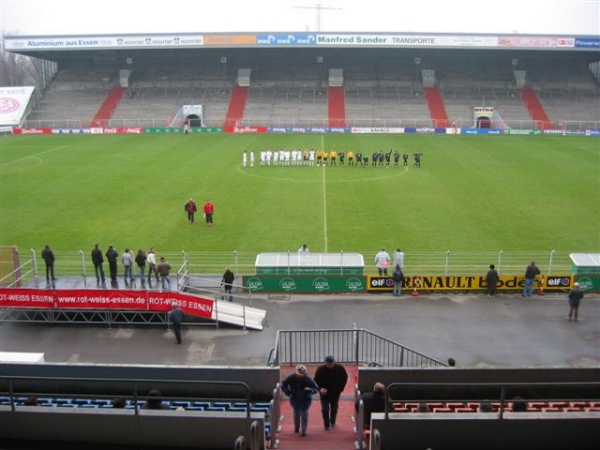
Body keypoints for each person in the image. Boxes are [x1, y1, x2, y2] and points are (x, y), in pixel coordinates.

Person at [281, 364, 318, 437]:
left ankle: (304, 430)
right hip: (295, 399)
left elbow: (315, 388)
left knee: (304, 414)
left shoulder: (308, 379)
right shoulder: (290, 377)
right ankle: (296, 427)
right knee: (296, 414)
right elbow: (283, 386)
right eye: (299, 375)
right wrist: (288, 393)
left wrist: (310, 390)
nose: (300, 376)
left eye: (302, 375)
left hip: (305, 399)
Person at [314, 356, 348, 430]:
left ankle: (332, 421)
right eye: (328, 364)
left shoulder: (340, 368)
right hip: (324, 393)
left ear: (334, 363)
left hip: (335, 392)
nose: (330, 366)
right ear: (325, 363)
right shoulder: (320, 370)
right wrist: (320, 389)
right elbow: (316, 381)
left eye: (331, 364)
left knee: (334, 407)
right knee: (325, 409)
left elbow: (345, 378)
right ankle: (326, 424)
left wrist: (341, 388)